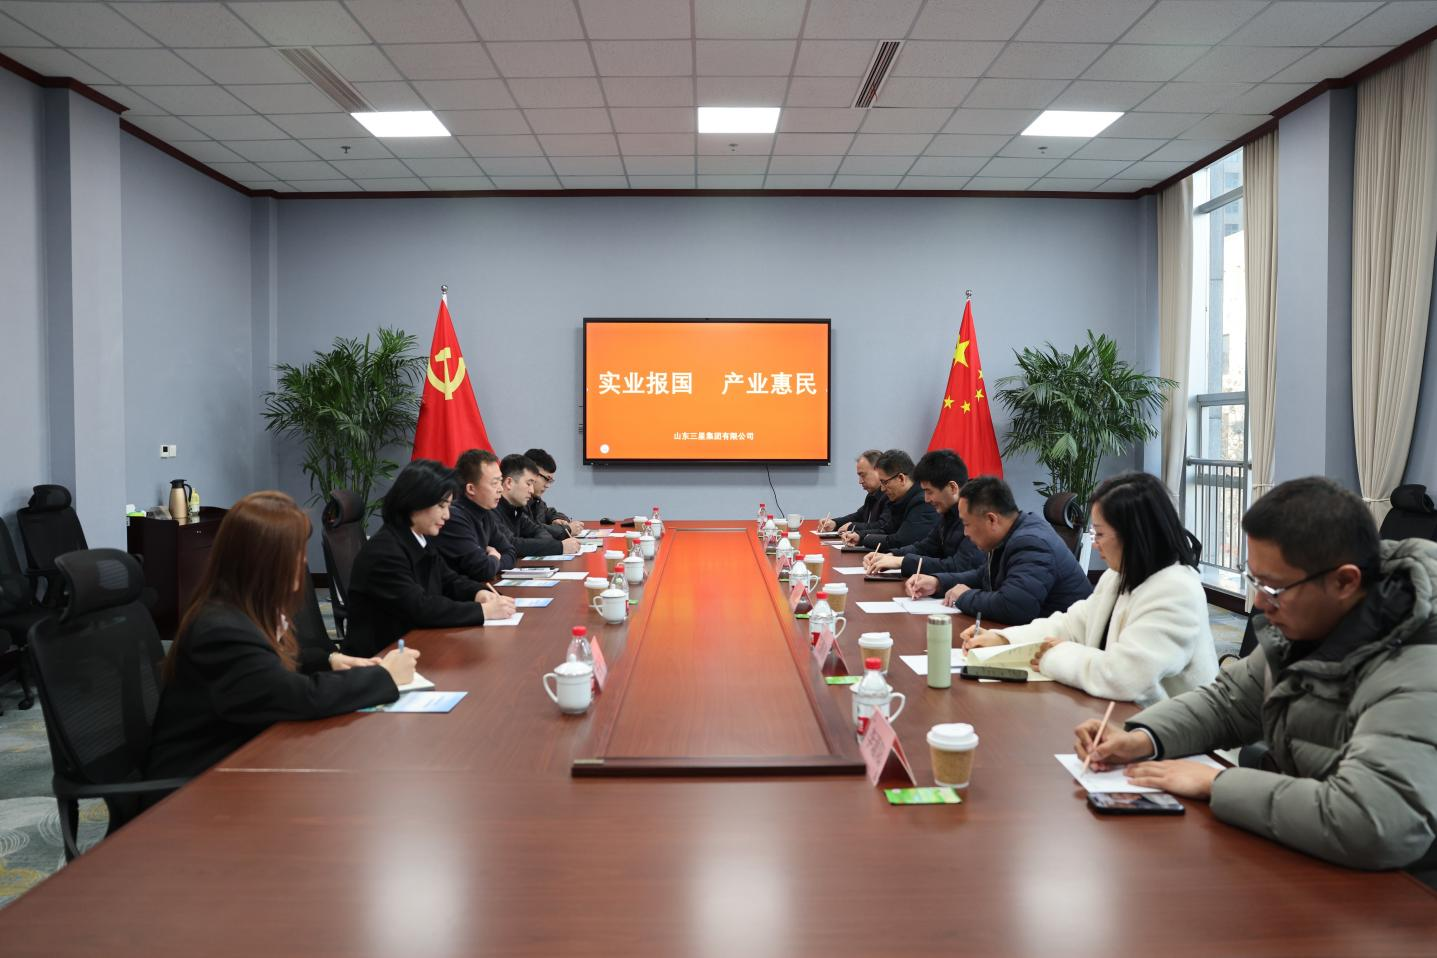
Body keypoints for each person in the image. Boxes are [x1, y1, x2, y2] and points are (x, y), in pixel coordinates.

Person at [1074, 477, 1437, 875]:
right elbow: (1229, 703)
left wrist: (1216, 783)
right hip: (1320, 851)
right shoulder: (1310, 626)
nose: (1260, 602)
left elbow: (1371, 821)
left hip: (1407, 888)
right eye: (1255, 580)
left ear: (1345, 582)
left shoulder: (1419, 665)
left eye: (1274, 587)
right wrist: (1142, 738)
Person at [145, 491, 419, 783]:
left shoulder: (245, 609)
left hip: (243, 758)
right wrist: (385, 677)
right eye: (296, 552)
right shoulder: (220, 630)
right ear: (264, 561)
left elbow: (269, 661)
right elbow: (299, 697)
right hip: (196, 786)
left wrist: (331, 660)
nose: (303, 561)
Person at [964, 472, 1217, 704]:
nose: (1095, 544)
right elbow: (1072, 624)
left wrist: (1053, 656)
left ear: (1133, 534)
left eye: (1100, 534)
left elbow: (1124, 677)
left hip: (1171, 732)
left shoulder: (1176, 590)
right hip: (1121, 717)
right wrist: (1004, 639)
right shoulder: (1118, 576)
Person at [343, 460, 516, 658]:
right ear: (416, 502)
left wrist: (479, 593)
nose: (447, 515)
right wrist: (483, 611)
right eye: (442, 506)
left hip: (413, 645)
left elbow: (449, 580)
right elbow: (421, 608)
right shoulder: (384, 551)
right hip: (381, 658)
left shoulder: (418, 539)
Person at [906, 476, 1091, 625]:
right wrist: (938, 583)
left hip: (1065, 646)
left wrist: (964, 596)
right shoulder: (1013, 532)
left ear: (992, 519)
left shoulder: (1031, 543)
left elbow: (1015, 607)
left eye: (967, 524)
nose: (965, 533)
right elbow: (984, 576)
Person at [863, 449, 984, 577]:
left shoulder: (977, 514)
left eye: (929, 492)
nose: (926, 499)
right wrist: (891, 555)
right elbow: (925, 547)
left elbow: (960, 566)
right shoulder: (948, 512)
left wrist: (902, 562)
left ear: (952, 487)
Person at [435, 448, 517, 581]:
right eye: (494, 483)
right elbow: (483, 570)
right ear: (471, 489)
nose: (500, 489)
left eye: (500, 481)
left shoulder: (485, 513)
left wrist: (492, 562)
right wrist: (494, 556)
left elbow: (511, 552)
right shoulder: (453, 518)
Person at [839, 449, 938, 551]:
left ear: (901, 478)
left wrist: (864, 539)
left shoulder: (922, 502)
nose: (882, 489)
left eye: (884, 482)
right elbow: (886, 531)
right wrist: (859, 536)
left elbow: (901, 541)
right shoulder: (901, 500)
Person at [498, 453, 580, 557]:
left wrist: (551, 544)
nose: (531, 490)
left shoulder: (516, 510)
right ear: (509, 483)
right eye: (528, 484)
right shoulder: (491, 510)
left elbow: (538, 531)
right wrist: (559, 547)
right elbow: (511, 544)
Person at [817, 449, 890, 534]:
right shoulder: (872, 495)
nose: (860, 481)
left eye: (863, 475)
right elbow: (859, 516)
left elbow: (883, 526)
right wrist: (835, 523)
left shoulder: (890, 495)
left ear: (879, 471)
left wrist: (852, 527)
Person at [524, 447, 584, 538]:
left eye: (550, 481)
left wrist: (558, 519)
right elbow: (532, 529)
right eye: (546, 479)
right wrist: (567, 530)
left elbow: (550, 513)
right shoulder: (518, 502)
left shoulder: (536, 500)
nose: (547, 485)